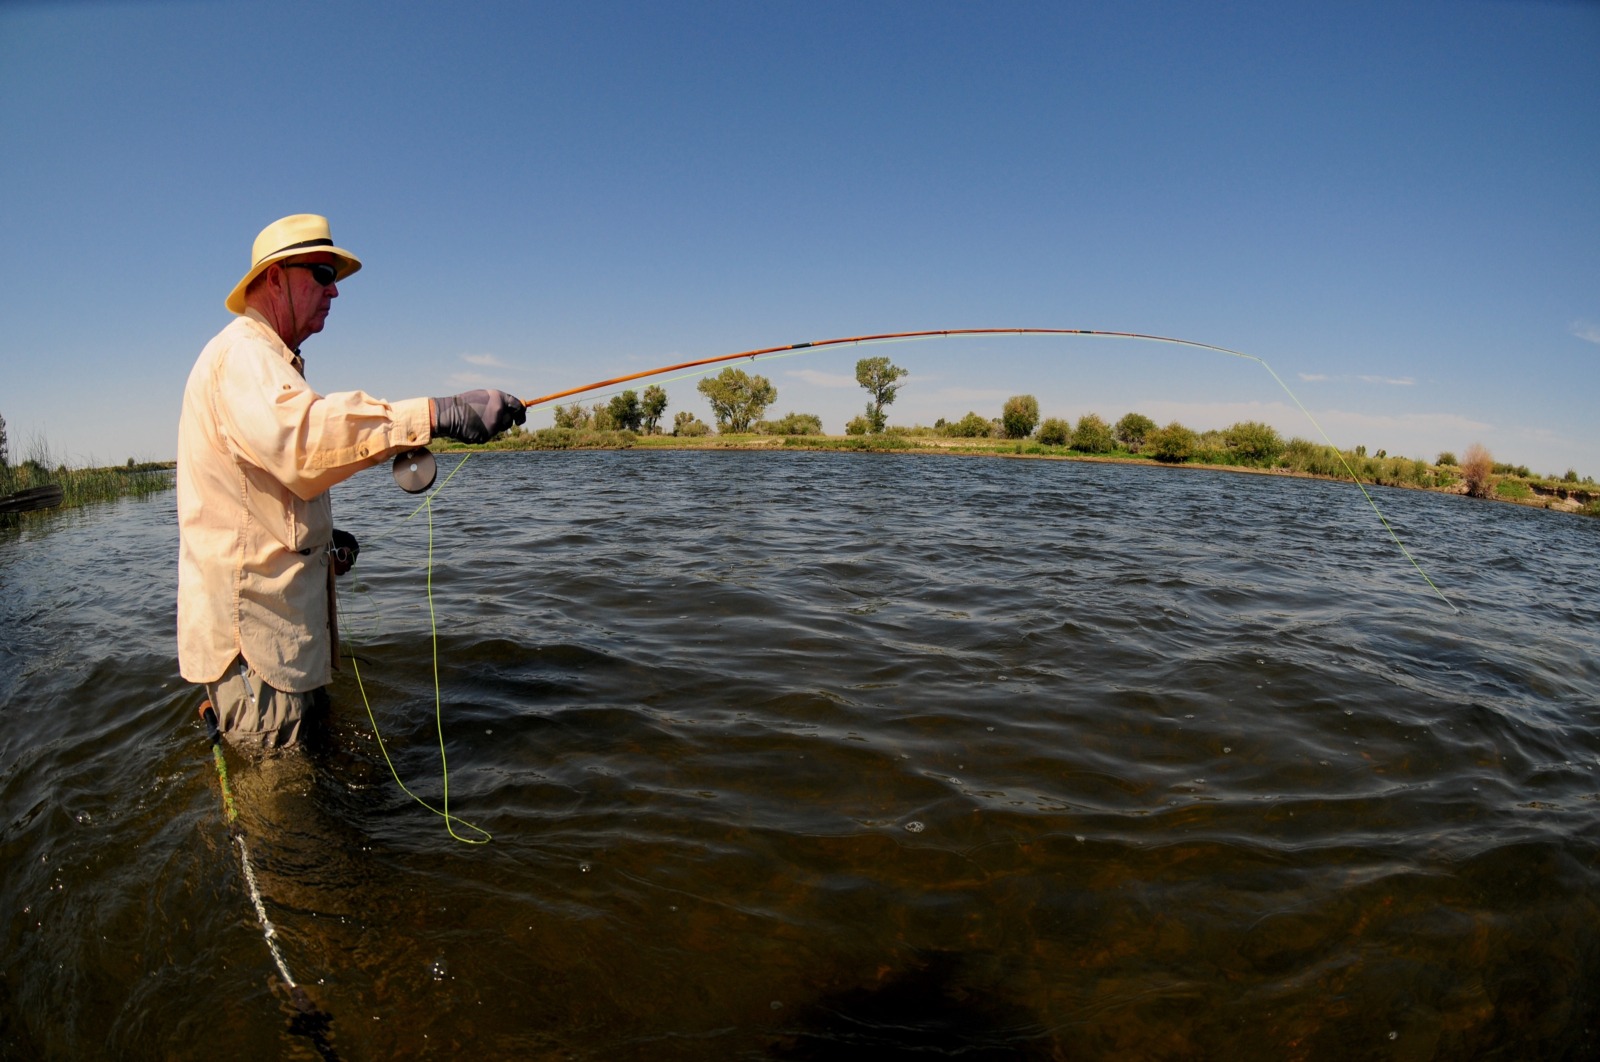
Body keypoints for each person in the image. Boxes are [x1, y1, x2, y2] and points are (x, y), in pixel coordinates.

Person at [177, 214, 525, 747]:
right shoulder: (244, 355)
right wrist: (437, 414)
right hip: (258, 650)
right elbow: (305, 441)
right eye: (321, 272)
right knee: (279, 809)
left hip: (281, 640)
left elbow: (265, 487)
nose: (335, 289)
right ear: (274, 279)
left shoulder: (269, 363)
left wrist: (323, 545)